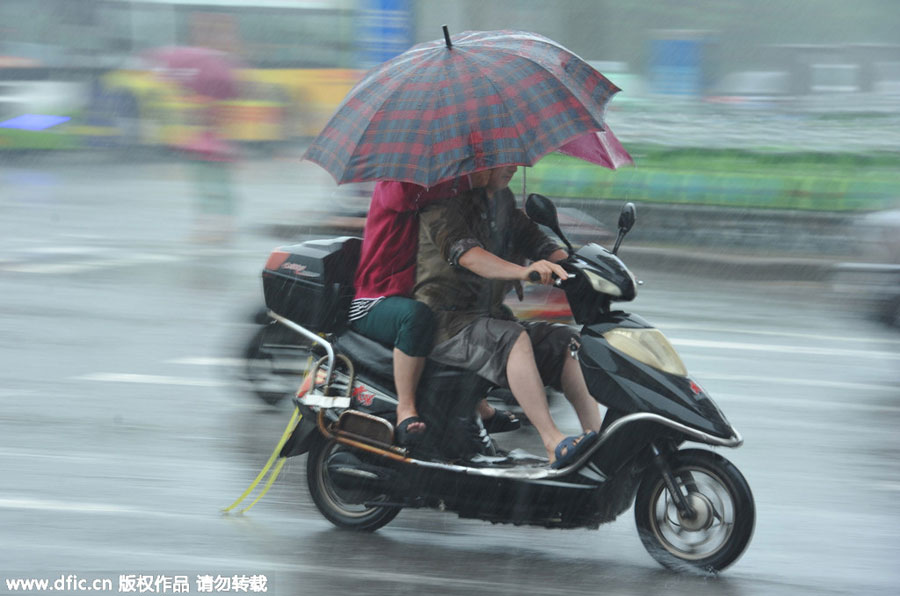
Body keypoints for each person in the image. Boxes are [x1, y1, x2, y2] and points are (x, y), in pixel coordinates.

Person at [414, 165, 604, 468]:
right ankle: (553, 442)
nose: (514, 166)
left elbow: (533, 239)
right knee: (513, 339)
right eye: (504, 158)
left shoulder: (500, 201)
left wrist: (579, 268)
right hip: (448, 325)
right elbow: (468, 254)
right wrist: (523, 271)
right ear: (479, 159)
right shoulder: (443, 205)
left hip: (488, 318)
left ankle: (596, 440)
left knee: (566, 342)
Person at [349, 174, 520, 448]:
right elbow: (404, 197)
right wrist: (469, 182)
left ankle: (476, 404)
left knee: (472, 321)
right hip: (376, 299)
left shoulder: (444, 196)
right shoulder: (394, 182)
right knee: (416, 317)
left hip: (413, 295)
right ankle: (405, 408)